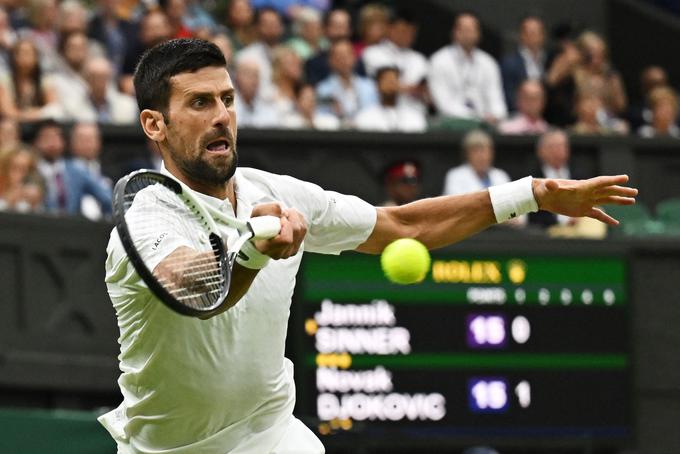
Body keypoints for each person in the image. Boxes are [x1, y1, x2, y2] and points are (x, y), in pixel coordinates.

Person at [98, 38, 637, 453]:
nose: (221, 115)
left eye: (228, 99)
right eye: (198, 103)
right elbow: (193, 287)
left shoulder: (279, 193)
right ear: (155, 124)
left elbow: (402, 228)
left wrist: (533, 193)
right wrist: (253, 250)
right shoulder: (146, 215)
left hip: (271, 433)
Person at [428, 12, 507, 123]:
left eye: (471, 30)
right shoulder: (439, 61)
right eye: (463, 30)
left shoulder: (489, 63)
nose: (467, 34)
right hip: (452, 123)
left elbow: (496, 98)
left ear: (478, 33)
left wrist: (497, 115)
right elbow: (443, 103)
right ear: (455, 32)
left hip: (485, 124)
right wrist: (476, 117)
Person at [33, 119, 111, 215]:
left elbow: (106, 197)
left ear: (64, 142)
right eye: (47, 137)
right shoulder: (30, 169)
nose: (52, 143)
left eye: (56, 137)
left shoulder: (76, 170)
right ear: (36, 142)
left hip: (71, 225)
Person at [361, 9, 428, 113]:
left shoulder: (420, 59)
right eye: (403, 30)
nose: (407, 36)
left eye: (411, 32)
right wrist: (409, 89)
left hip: (415, 115)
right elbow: (385, 86)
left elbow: (426, 92)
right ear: (389, 29)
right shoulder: (372, 53)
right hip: (382, 113)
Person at [316, 38, 378, 124]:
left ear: (354, 58)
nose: (343, 60)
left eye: (347, 55)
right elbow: (321, 117)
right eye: (339, 56)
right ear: (331, 61)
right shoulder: (322, 89)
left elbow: (375, 114)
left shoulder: (370, 86)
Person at [354, 65, 426, 132]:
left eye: (394, 80)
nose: (390, 84)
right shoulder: (365, 117)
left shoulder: (414, 117)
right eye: (386, 80)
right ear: (377, 86)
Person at [442, 129, 511, 195]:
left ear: (492, 153)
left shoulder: (501, 176)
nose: (481, 156)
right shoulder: (455, 176)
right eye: (476, 151)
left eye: (484, 151)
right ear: (467, 154)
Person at [500, 15, 546, 112]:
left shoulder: (548, 60)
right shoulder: (510, 63)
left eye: (536, 32)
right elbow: (509, 96)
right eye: (529, 32)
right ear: (521, 35)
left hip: (546, 118)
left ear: (543, 35)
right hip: (519, 117)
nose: (533, 36)